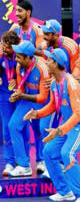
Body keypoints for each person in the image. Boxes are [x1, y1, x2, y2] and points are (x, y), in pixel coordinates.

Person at [24, 48, 80, 201]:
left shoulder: (71, 83)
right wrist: (37, 114)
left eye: (49, 60)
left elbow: (78, 114)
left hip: (77, 126)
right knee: (48, 152)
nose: (46, 61)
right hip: (67, 127)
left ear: (56, 64)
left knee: (67, 153)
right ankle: (65, 192)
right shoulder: (55, 83)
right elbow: (52, 106)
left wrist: (60, 130)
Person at [7, 41, 49, 177]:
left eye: (19, 56)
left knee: (40, 129)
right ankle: (24, 165)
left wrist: (22, 95)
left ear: (27, 57)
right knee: (13, 125)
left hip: (44, 102)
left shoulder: (43, 67)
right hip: (27, 99)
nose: (16, 59)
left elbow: (43, 97)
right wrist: (17, 94)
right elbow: (22, 89)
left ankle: (42, 161)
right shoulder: (19, 67)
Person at [0, 31, 31, 176]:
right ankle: (9, 162)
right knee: (7, 128)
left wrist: (18, 80)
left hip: (21, 94)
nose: (4, 48)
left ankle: (24, 161)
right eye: (2, 44)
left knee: (22, 127)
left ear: (15, 47)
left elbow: (28, 72)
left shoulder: (21, 54)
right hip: (4, 94)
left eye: (7, 47)